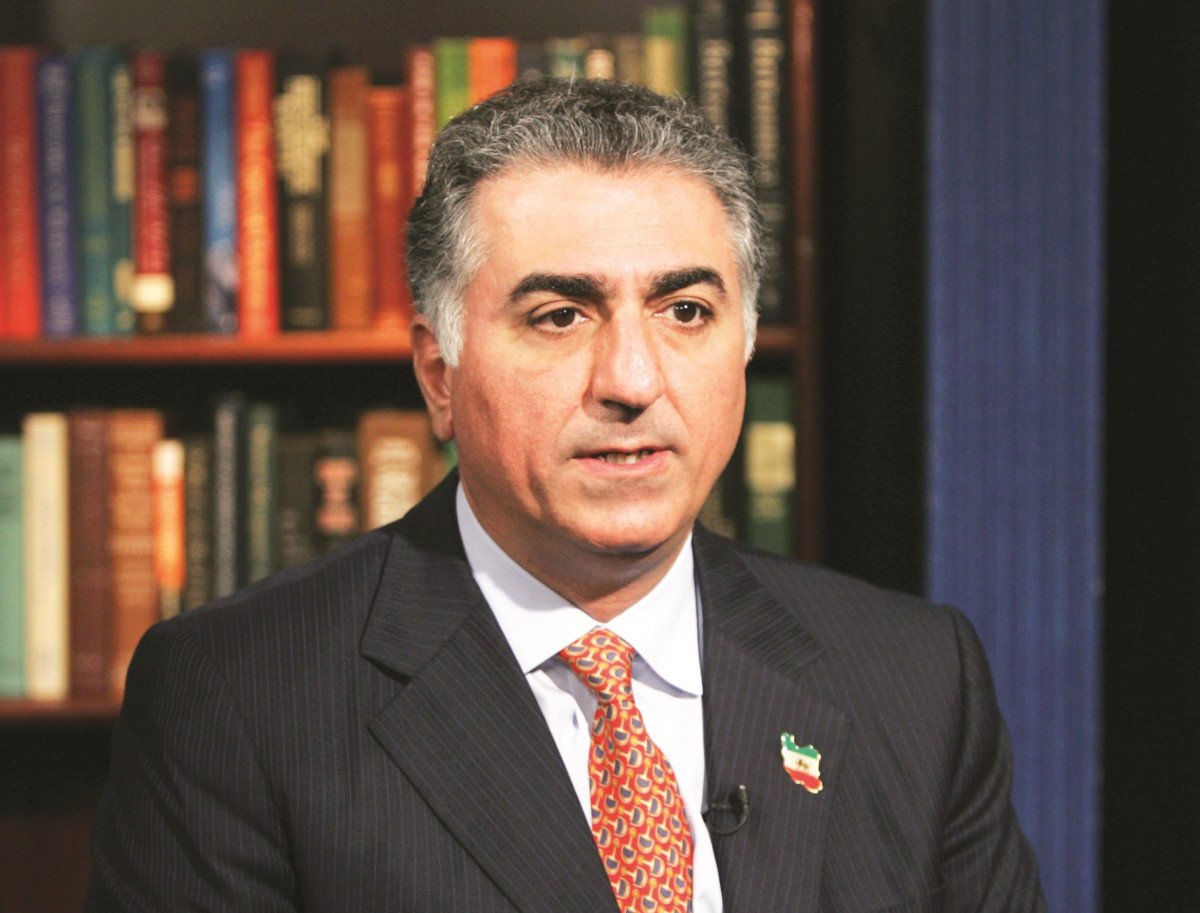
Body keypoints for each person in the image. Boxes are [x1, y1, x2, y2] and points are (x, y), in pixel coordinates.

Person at [86, 77, 1045, 913]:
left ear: (745, 349)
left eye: (686, 311)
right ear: (439, 373)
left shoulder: (917, 678)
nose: (631, 379)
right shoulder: (238, 697)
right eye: (559, 316)